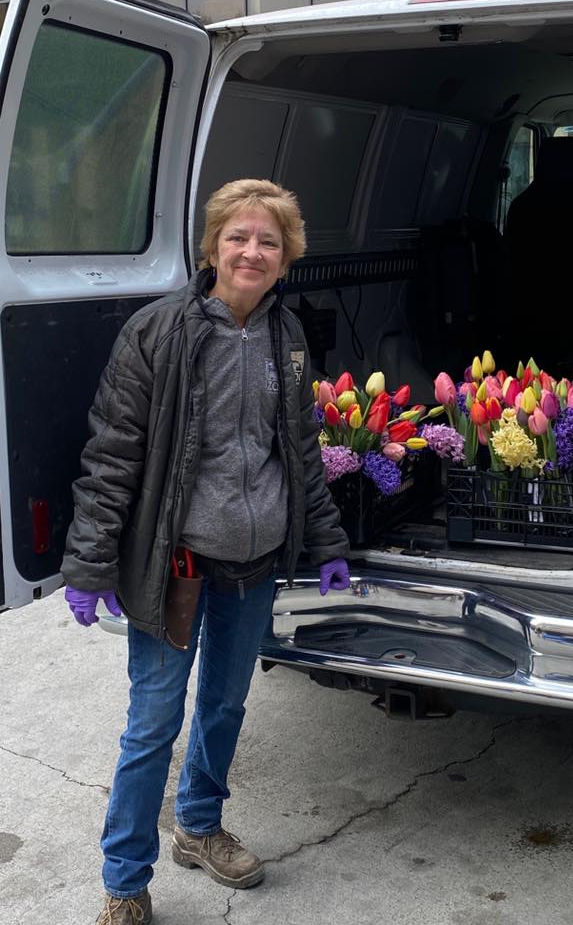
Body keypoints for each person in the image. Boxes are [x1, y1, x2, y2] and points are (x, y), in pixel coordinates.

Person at [62, 179, 351, 925]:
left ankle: (198, 826)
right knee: (153, 721)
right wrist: (91, 565)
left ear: (286, 260)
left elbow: (302, 450)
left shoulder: (288, 338)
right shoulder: (158, 333)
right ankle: (125, 882)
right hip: (176, 564)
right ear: (212, 247)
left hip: (255, 563)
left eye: (269, 241)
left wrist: (324, 539)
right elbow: (113, 455)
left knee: (224, 705)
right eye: (239, 236)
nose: (252, 251)